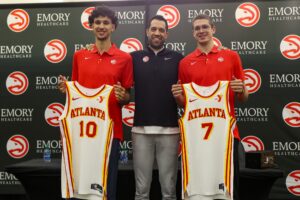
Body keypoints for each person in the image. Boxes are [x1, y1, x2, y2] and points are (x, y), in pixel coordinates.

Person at [58, 6, 133, 200]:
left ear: (113, 27)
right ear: (91, 26)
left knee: (106, 187)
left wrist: (122, 95)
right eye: (97, 22)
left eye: (106, 23)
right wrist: (66, 89)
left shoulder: (124, 58)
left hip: (110, 130)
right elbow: (75, 93)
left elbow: (127, 97)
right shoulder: (79, 56)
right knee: (81, 185)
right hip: (81, 131)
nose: (101, 26)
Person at [172, 14, 248, 200]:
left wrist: (241, 89)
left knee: (228, 186)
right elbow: (186, 104)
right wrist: (178, 97)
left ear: (213, 29)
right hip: (196, 135)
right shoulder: (185, 62)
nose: (201, 31)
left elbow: (243, 97)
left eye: (205, 27)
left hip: (226, 134)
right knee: (199, 185)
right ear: (193, 33)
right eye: (197, 28)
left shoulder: (231, 56)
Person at [131, 15, 183, 200]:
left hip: (169, 130)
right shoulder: (133, 58)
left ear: (166, 34)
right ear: (147, 31)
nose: (157, 33)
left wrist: (221, 51)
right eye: (153, 29)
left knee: (169, 190)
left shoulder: (178, 58)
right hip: (140, 130)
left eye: (161, 30)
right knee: (141, 190)